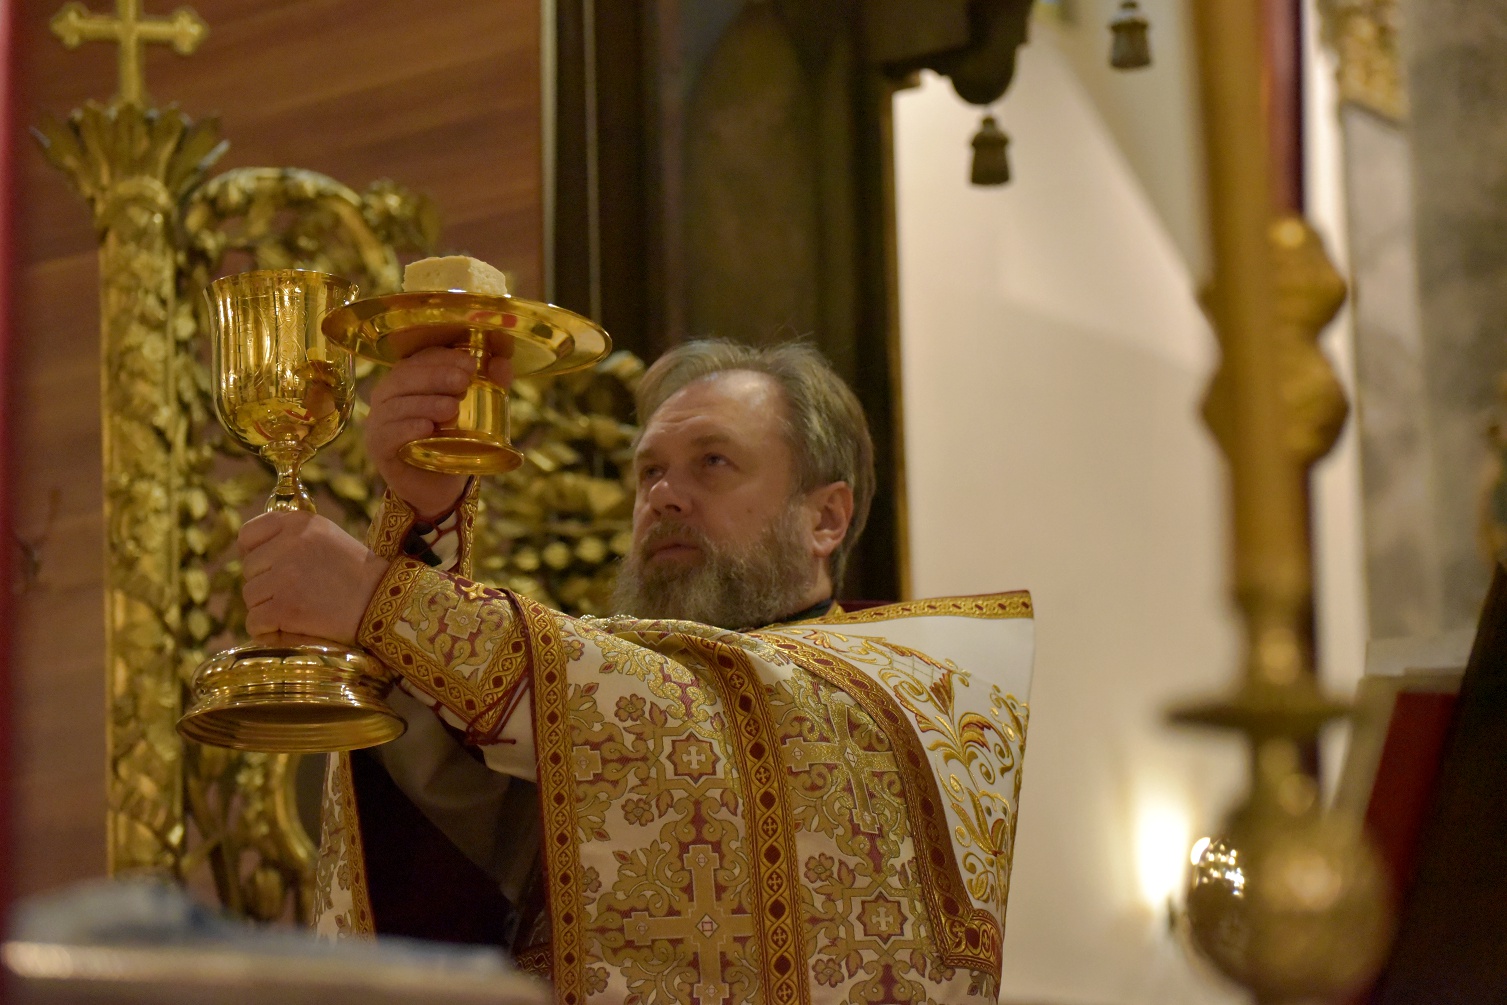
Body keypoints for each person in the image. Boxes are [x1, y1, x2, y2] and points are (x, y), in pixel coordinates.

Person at [239, 339, 1035, 1004]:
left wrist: (383, 600)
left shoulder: (899, 697)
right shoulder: (590, 693)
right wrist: (424, 522)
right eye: (648, 471)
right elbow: (458, 816)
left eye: (712, 461)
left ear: (825, 517)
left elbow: (681, 724)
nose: (665, 496)